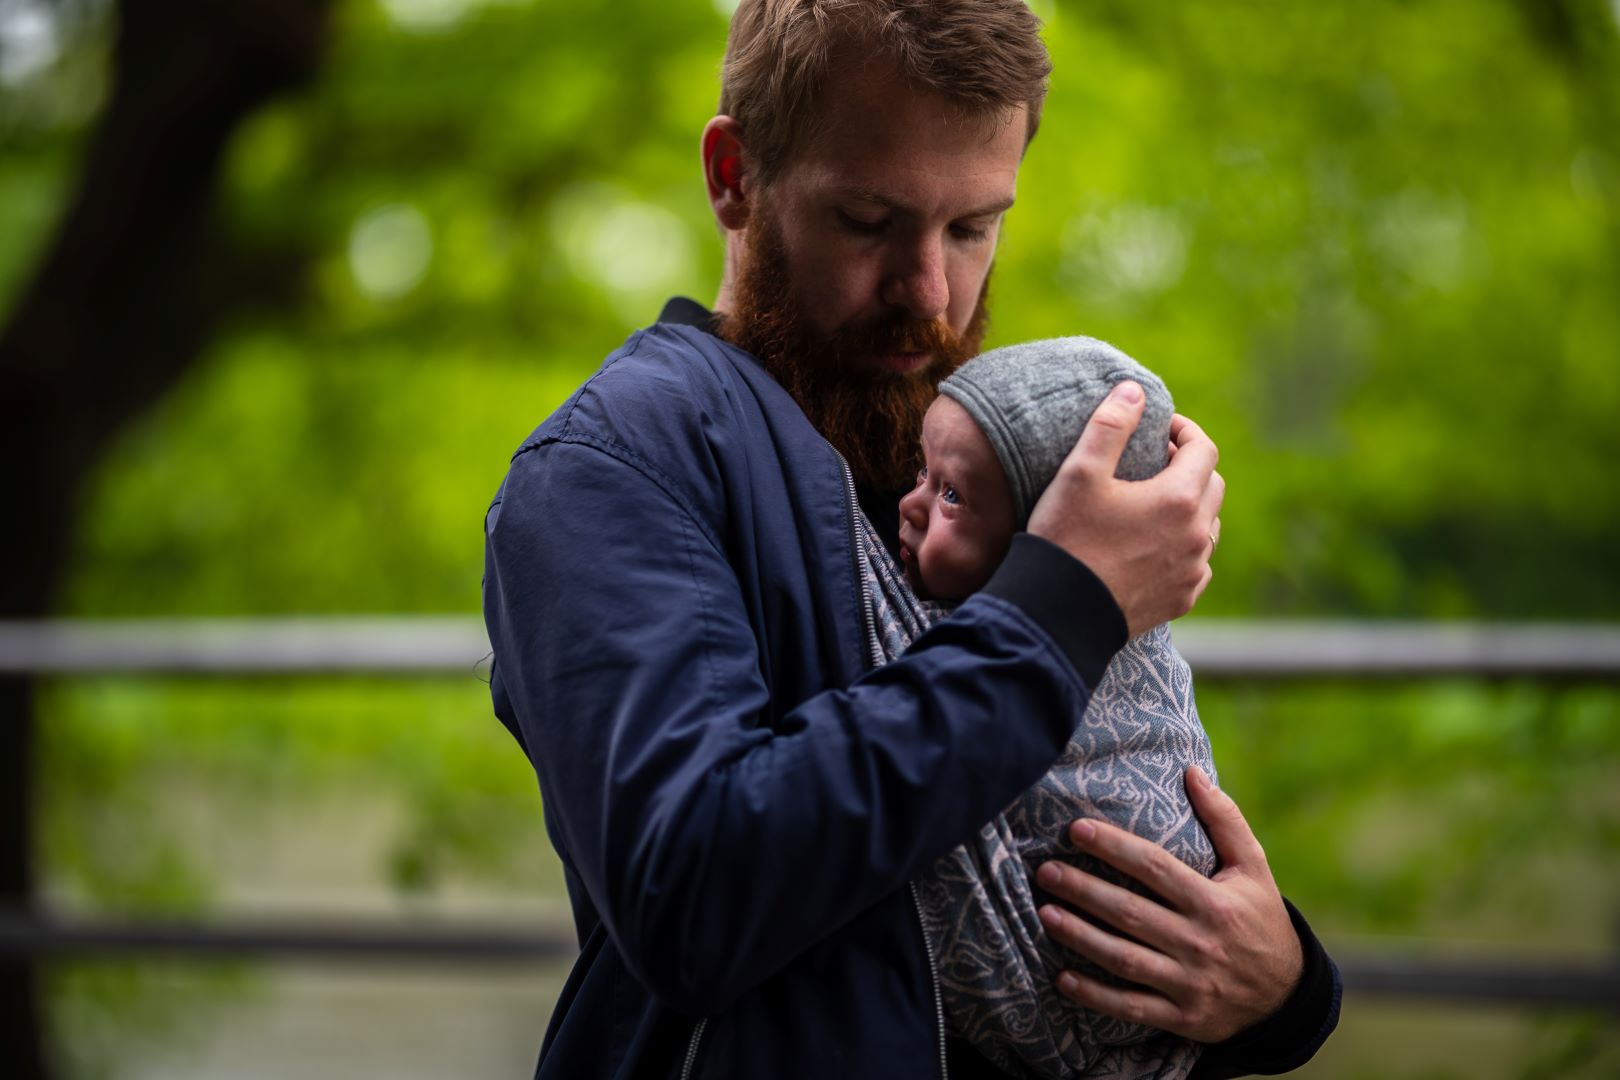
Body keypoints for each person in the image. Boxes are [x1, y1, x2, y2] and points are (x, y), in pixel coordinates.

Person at [481, 2, 1341, 1077]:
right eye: (868, 221)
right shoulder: (613, 467)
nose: (928, 291)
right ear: (733, 175)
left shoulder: (978, 459)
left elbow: (1084, 792)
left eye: (972, 227)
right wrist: (1063, 603)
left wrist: (1280, 987)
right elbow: (691, 895)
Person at [883, 336, 1218, 1079]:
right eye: (922, 471)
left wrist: (1291, 986)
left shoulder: (1098, 648)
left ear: (1044, 545)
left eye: (950, 495)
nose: (908, 503)